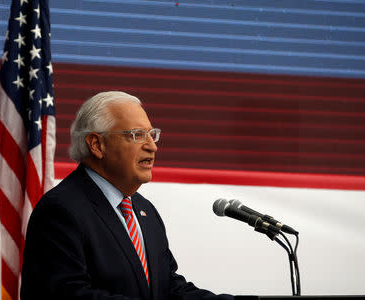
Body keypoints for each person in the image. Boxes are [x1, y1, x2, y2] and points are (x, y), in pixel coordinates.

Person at [20, 91, 234, 299]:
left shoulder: (144, 210)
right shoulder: (61, 211)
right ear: (97, 145)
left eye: (152, 135)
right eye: (137, 135)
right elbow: (67, 293)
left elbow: (169, 288)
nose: (152, 147)